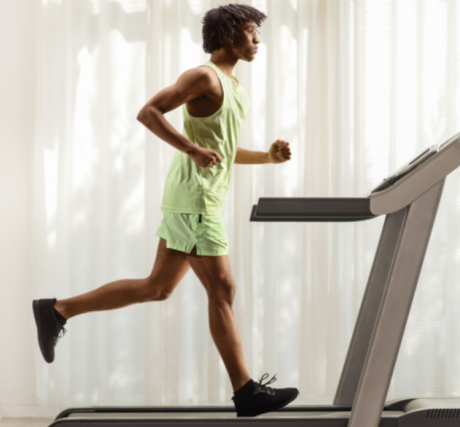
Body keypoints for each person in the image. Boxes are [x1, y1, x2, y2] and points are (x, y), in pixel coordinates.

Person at [32, 4, 298, 417]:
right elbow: (148, 112)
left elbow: (222, 153)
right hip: (195, 201)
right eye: (251, 32)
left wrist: (266, 157)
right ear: (229, 35)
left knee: (158, 287)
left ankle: (57, 309)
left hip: (196, 199)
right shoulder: (203, 76)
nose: (257, 41)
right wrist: (190, 149)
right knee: (222, 288)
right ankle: (246, 392)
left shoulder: (234, 87)